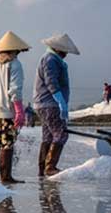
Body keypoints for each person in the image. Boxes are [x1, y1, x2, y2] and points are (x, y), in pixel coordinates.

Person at [0, 31, 29, 185]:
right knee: (8, 142)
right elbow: (15, 89)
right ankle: (6, 176)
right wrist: (19, 110)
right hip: (8, 110)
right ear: (14, 50)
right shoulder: (15, 64)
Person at [34, 33, 80, 177]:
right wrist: (60, 101)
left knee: (48, 137)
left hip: (44, 103)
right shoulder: (51, 59)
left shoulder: (51, 58)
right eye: (64, 51)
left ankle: (43, 169)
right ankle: (50, 167)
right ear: (58, 49)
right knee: (61, 134)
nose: (66, 54)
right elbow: (51, 81)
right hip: (50, 103)